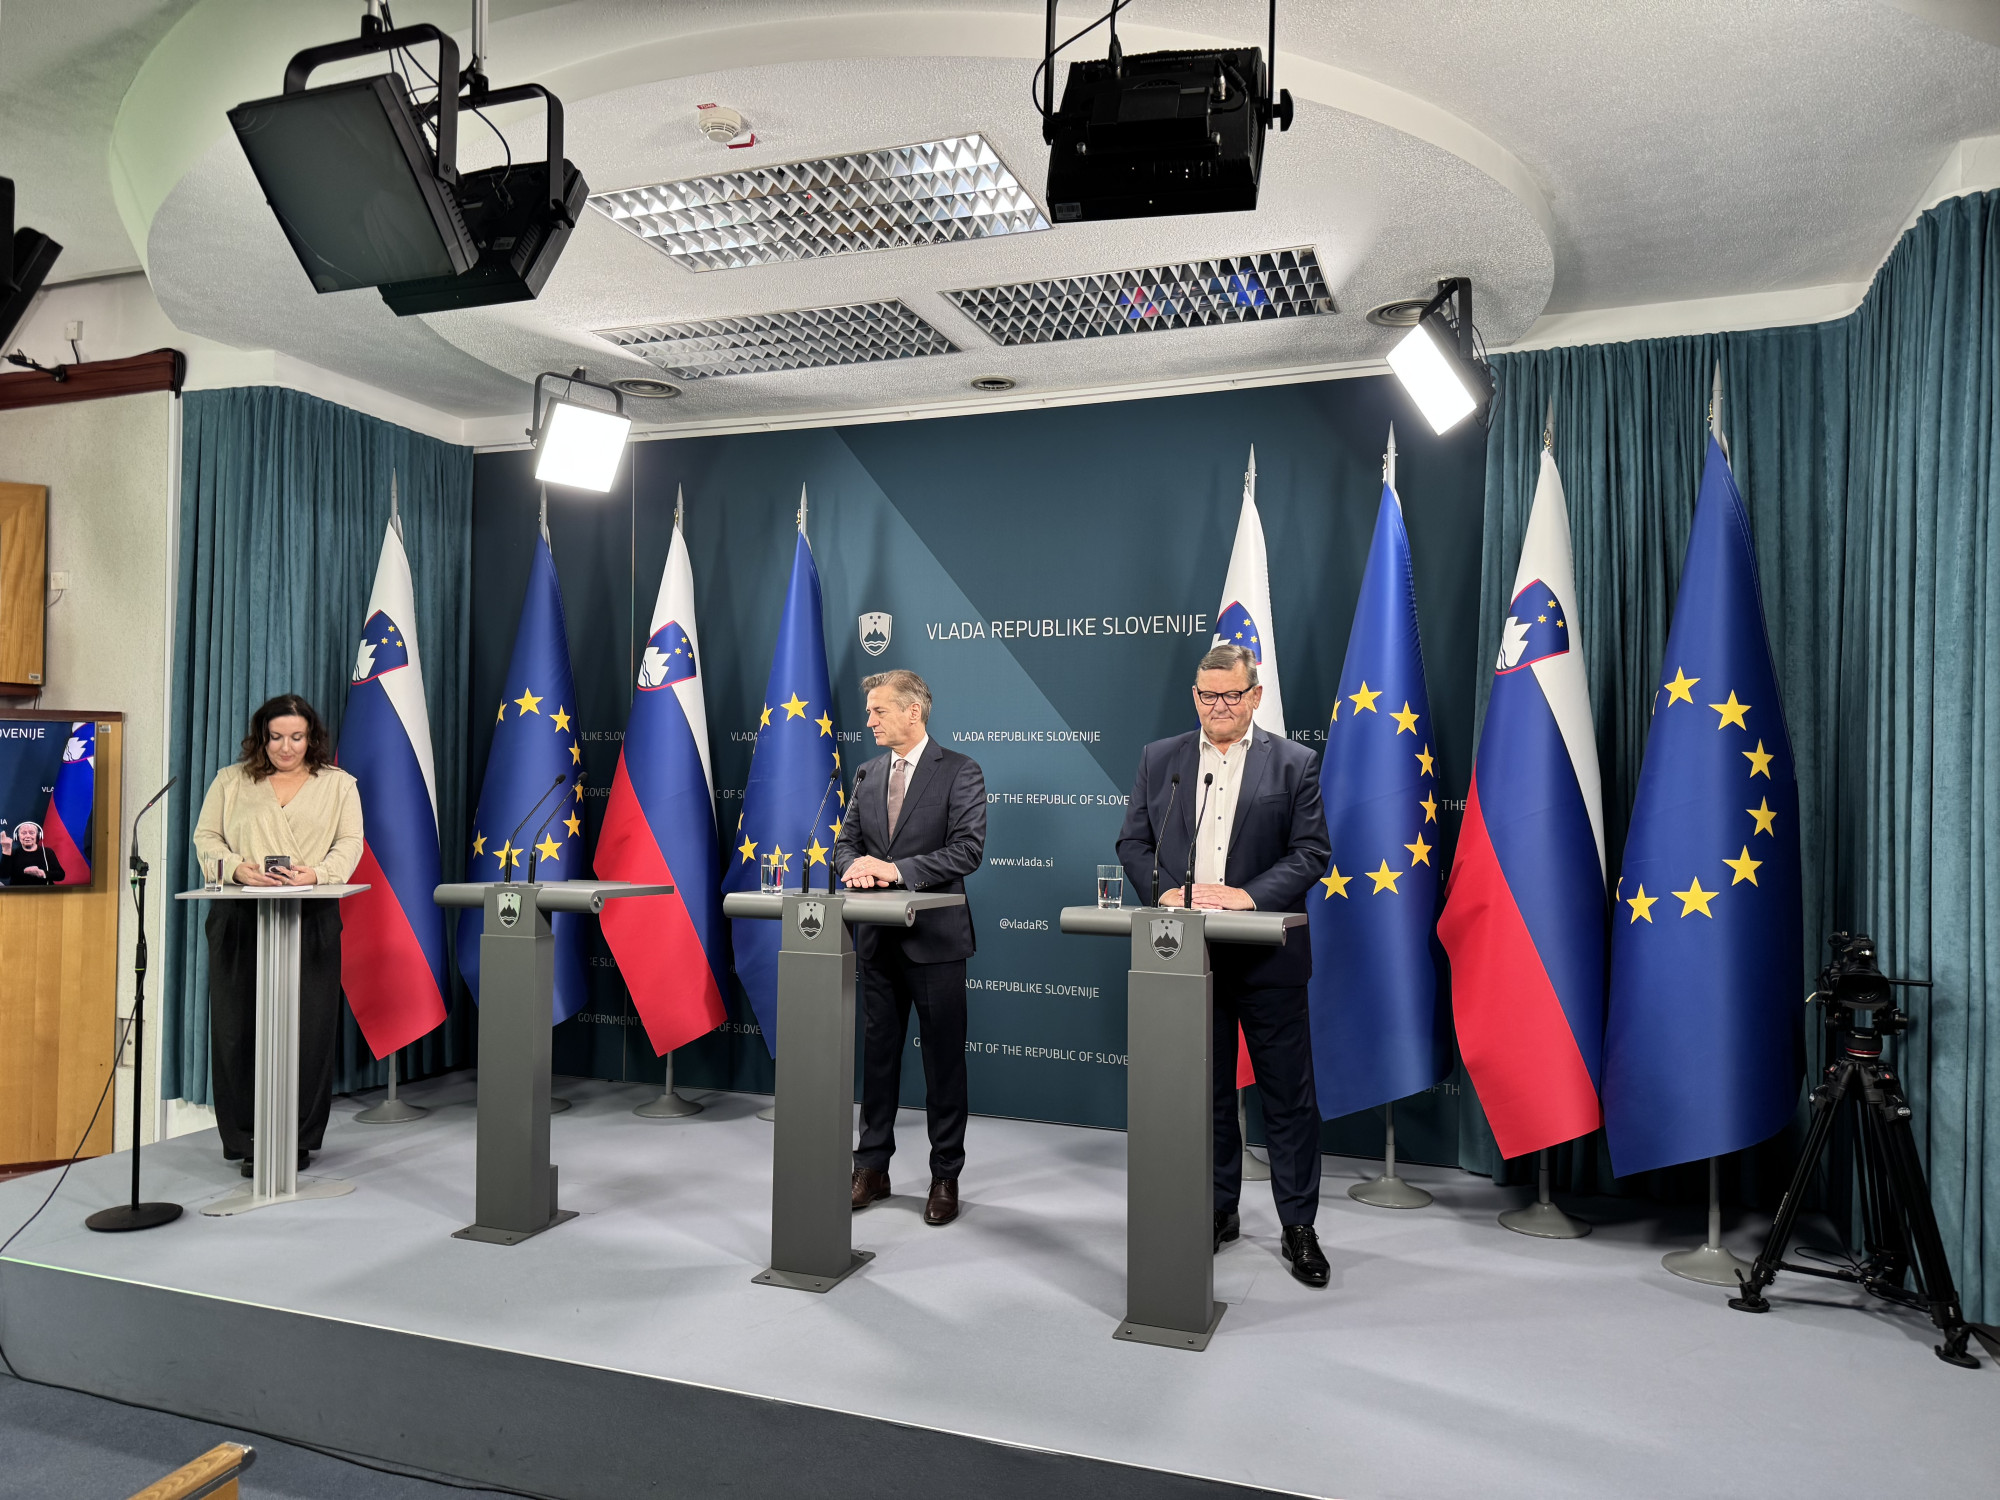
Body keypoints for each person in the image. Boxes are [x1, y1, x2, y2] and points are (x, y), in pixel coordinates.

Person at [1115, 643, 1334, 1288]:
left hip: (1268, 958)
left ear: (1254, 696)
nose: (1218, 706)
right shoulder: (1161, 759)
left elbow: (1311, 852)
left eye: (1230, 695)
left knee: (1287, 1099)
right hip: (1187, 958)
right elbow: (1133, 842)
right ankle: (1217, 1209)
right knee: (1206, 1095)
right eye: (1207, 695)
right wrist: (1165, 893)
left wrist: (1246, 896)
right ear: (1195, 696)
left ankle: (1299, 1225)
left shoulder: (1294, 763)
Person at [834, 668, 987, 1227]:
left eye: (878, 710)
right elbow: (845, 843)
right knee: (877, 1059)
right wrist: (856, 868)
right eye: (870, 711)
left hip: (935, 941)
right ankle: (871, 1167)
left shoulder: (960, 771)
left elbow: (967, 850)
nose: (869, 720)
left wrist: (893, 871)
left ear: (912, 711)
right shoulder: (868, 772)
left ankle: (945, 1175)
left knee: (943, 1062)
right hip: (877, 940)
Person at [193, 694, 362, 1177]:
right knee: (236, 1029)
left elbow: (350, 842)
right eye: (275, 737)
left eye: (296, 737)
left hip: (310, 916)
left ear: (311, 738)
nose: (285, 747)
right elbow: (206, 838)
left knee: (309, 1030)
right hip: (239, 916)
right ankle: (246, 1138)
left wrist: (318, 873)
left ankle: (297, 1138)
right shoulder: (231, 780)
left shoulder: (338, 784)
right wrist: (236, 868)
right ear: (261, 738)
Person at [0, 820, 65, 885]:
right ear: (17, 836)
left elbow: (60, 875)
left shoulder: (47, 852)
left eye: (31, 833)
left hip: (43, 890)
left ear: (38, 835)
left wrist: (42, 873)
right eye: (23, 833)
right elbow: (4, 875)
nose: (28, 836)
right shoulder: (13, 853)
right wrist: (6, 850)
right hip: (19, 891)